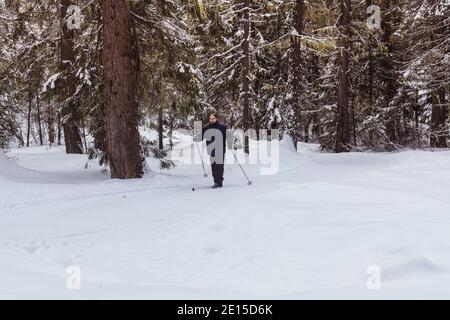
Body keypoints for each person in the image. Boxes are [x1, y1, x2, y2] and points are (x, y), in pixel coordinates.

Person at [198, 112, 228, 188]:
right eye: (210, 118)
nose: (211, 120)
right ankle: (216, 182)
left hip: (220, 149)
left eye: (213, 118)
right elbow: (201, 136)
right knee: (213, 167)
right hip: (211, 150)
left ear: (216, 119)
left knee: (219, 166)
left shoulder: (221, 127)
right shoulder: (207, 128)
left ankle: (219, 182)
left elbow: (227, 136)